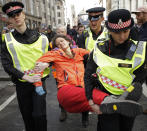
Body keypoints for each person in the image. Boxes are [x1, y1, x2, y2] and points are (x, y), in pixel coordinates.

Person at [34, 35, 143, 129]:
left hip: (83, 91)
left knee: (102, 107)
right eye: (57, 44)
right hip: (67, 91)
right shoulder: (54, 55)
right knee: (70, 94)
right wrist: (39, 84)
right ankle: (116, 100)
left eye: (62, 41)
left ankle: (114, 104)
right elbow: (37, 66)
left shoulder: (79, 52)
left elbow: (96, 55)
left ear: (68, 41)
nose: (60, 44)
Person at [84, 9, 147, 131]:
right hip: (105, 100)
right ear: (110, 30)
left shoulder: (141, 50)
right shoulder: (99, 48)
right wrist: (90, 101)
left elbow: (140, 78)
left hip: (129, 101)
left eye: (125, 31)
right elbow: (87, 75)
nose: (122, 36)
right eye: (117, 32)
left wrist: (128, 95)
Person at [0, 1, 50, 131]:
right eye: (12, 15)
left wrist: (47, 63)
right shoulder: (7, 39)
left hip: (39, 83)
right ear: (9, 19)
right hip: (22, 84)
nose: (16, 16)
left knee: (39, 115)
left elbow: (52, 57)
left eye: (18, 13)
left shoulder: (42, 38)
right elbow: (6, 64)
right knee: (27, 118)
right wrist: (24, 76)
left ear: (24, 15)